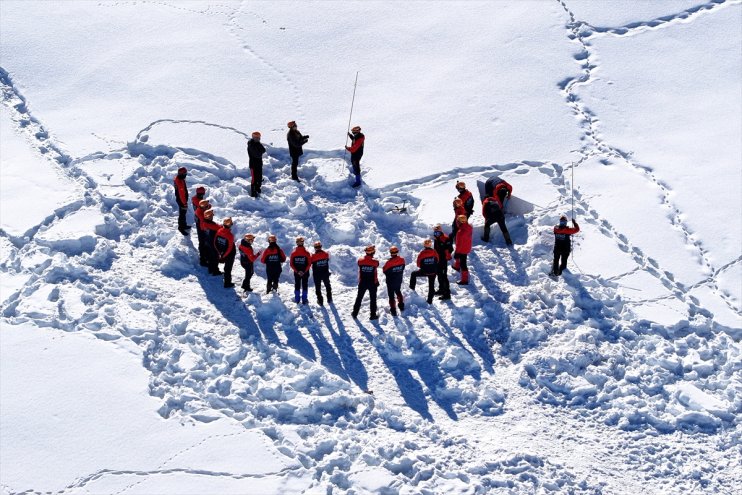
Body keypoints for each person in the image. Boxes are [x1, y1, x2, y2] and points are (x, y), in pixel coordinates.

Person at [351, 245, 380, 320]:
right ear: (373, 252)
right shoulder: (375, 262)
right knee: (373, 299)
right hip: (372, 283)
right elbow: (377, 264)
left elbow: (360, 263)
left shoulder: (360, 261)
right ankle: (372, 315)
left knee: (359, 298)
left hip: (362, 282)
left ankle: (355, 313)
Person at [410, 239, 439, 304]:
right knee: (431, 285)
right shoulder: (434, 252)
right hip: (433, 272)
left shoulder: (422, 253)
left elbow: (418, 264)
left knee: (413, 274)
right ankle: (430, 301)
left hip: (424, 271)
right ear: (430, 245)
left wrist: (425, 266)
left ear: (424, 245)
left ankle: (412, 289)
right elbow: (437, 260)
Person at [382, 246, 406, 316]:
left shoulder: (389, 262)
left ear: (390, 253)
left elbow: (384, 270)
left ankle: (393, 310)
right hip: (398, 280)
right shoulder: (402, 260)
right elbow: (403, 267)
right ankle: (401, 305)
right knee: (398, 291)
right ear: (397, 252)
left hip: (390, 281)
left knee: (391, 296)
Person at [214, 217, 236, 288]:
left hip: (221, 251)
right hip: (229, 254)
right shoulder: (230, 235)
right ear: (230, 225)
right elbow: (229, 248)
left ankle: (215, 271)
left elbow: (215, 242)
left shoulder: (219, 230)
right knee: (228, 269)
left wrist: (219, 253)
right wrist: (224, 255)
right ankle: (227, 283)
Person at [432, 224, 452, 300]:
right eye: (435, 233)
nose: (436, 234)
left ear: (441, 232)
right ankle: (441, 289)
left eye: (438, 233)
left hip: (443, 260)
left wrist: (445, 253)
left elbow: (450, 249)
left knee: (444, 277)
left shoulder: (445, 239)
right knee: (439, 275)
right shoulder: (436, 239)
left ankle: (447, 294)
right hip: (438, 260)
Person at [290, 236, 311, 304]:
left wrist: (297, 271)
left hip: (297, 273)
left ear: (297, 243)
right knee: (305, 285)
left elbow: (291, 264)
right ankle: (304, 300)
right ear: (303, 243)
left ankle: (297, 299)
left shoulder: (293, 253)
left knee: (297, 285)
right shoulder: (307, 253)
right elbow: (309, 264)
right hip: (305, 272)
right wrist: (304, 271)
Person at [311, 241, 333, 305]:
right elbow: (327, 259)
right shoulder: (326, 254)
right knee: (327, 286)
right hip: (325, 274)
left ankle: (320, 301)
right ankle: (329, 298)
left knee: (318, 288)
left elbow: (310, 262)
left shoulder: (313, 256)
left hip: (317, 275)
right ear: (321, 247)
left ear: (315, 248)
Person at [453, 215, 473, 285]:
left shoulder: (460, 232)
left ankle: (464, 280)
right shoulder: (469, 227)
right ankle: (456, 266)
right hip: (467, 247)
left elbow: (459, 245)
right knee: (461, 259)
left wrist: (456, 252)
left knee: (463, 264)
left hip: (462, 250)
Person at [201, 209, 222, 275]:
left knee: (210, 256)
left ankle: (210, 269)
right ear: (209, 217)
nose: (212, 216)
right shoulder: (210, 225)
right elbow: (219, 228)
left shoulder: (204, 223)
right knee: (215, 257)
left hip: (207, 241)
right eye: (211, 216)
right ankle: (215, 271)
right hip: (212, 243)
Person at [247, 131, 266, 198]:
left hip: (259, 164)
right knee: (254, 179)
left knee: (259, 177)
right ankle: (253, 192)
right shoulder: (251, 144)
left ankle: (258, 188)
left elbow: (263, 150)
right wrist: (260, 151)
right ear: (253, 137)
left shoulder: (258, 143)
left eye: (258, 137)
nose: (257, 139)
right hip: (253, 164)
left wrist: (260, 151)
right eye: (256, 137)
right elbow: (257, 154)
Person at [173, 166, 190, 235]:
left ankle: (184, 225)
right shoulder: (179, 182)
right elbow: (181, 194)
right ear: (182, 174)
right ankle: (181, 228)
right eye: (185, 174)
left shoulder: (180, 178)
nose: (186, 175)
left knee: (183, 213)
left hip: (181, 200)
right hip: (181, 201)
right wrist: (184, 203)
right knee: (182, 214)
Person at [194, 199, 211, 267]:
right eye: (206, 206)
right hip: (202, 230)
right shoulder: (200, 213)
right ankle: (203, 260)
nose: (207, 207)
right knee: (203, 244)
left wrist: (207, 205)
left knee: (204, 244)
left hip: (201, 228)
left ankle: (205, 257)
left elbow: (209, 206)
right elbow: (206, 221)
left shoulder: (200, 208)